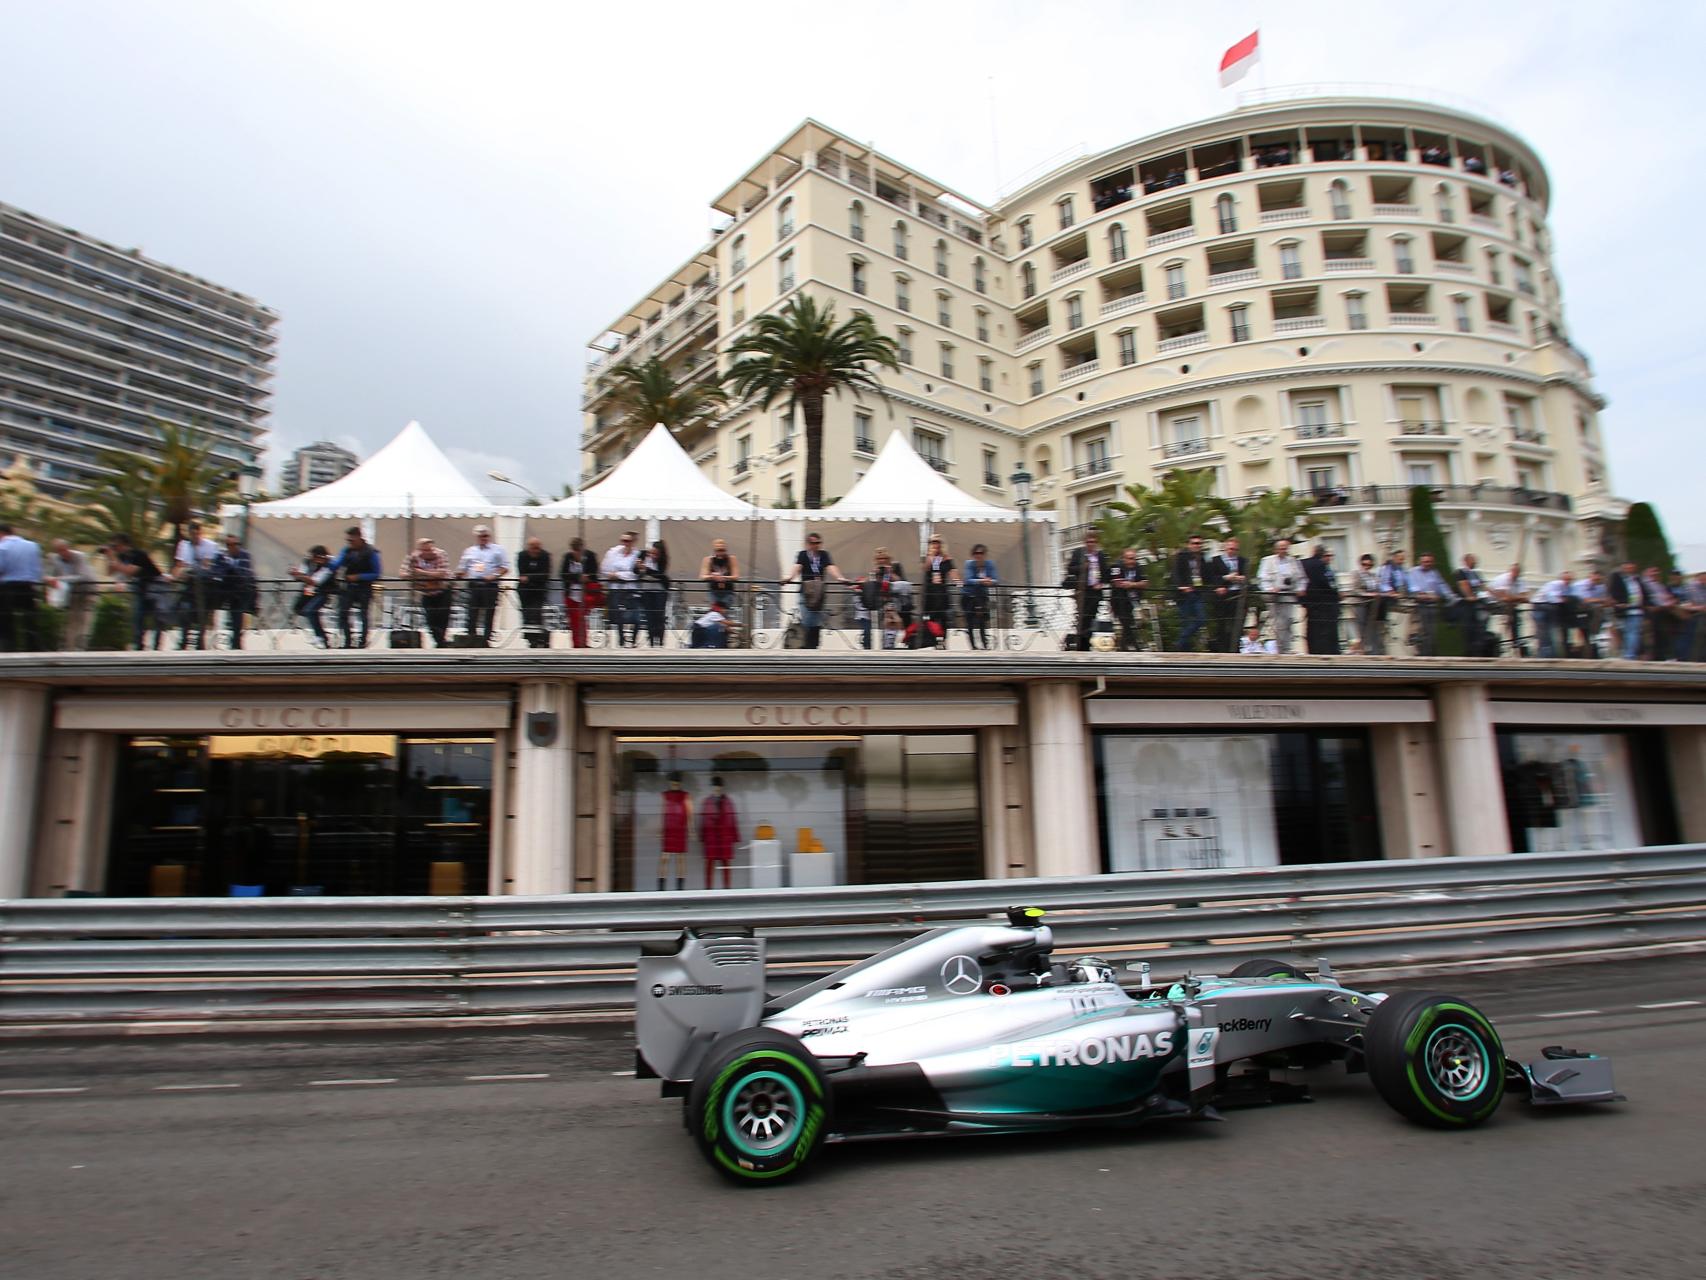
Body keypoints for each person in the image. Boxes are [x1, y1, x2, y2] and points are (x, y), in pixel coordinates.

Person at [781, 531, 846, 649]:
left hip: (819, 592)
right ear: (807, 544)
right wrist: (789, 577)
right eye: (812, 543)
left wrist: (839, 577)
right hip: (806, 591)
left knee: (816, 620)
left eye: (818, 543)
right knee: (807, 619)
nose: (815, 545)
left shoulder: (824, 554)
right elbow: (798, 567)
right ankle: (807, 645)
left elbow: (831, 567)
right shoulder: (802, 554)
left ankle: (813, 646)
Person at [105, 532, 163, 650]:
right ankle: (139, 646)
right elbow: (110, 572)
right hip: (140, 589)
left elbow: (130, 571)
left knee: (158, 618)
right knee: (138, 617)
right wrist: (110, 557)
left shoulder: (138, 555)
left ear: (123, 544)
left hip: (155, 588)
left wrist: (114, 558)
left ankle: (156, 646)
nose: (114, 548)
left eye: (115, 545)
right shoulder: (121, 557)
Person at [327, 526, 382, 648]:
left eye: (352, 540)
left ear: (359, 537)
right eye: (348, 540)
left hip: (364, 587)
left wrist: (359, 577)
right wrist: (328, 561)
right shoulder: (346, 550)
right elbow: (336, 565)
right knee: (343, 613)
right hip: (348, 587)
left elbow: (376, 573)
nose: (350, 543)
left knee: (363, 614)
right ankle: (347, 640)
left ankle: (363, 641)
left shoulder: (371, 552)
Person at [172, 519, 221, 650]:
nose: (195, 537)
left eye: (197, 533)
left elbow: (207, 565)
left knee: (203, 613)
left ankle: (201, 641)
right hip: (189, 585)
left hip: (204, 586)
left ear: (201, 533)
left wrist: (192, 568)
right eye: (192, 534)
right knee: (184, 610)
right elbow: (180, 566)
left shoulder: (210, 545)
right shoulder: (184, 545)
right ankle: (184, 639)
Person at [457, 524, 508, 647]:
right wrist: (460, 574)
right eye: (481, 536)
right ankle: (471, 637)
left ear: (489, 536)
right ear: (476, 537)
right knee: (472, 611)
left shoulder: (497, 549)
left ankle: (486, 638)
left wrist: (494, 575)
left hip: (489, 584)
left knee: (489, 612)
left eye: (485, 536)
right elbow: (463, 568)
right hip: (474, 583)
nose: (483, 538)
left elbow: (504, 567)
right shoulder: (470, 551)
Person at [1061, 530, 1110, 652]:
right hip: (1082, 591)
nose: (1090, 544)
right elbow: (1070, 569)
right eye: (1088, 542)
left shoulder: (1100, 555)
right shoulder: (1079, 553)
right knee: (1082, 618)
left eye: (1093, 542)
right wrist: (1083, 567)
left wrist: (1101, 583)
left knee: (1090, 618)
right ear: (1085, 542)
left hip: (1095, 591)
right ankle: (1081, 645)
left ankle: (1085, 644)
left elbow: (1106, 573)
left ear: (1096, 543)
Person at [0, 522, 43, 651]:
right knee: (30, 619)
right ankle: (33, 647)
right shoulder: (32, 546)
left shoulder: (2, 547)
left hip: (8, 587)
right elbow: (37, 569)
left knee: (6, 619)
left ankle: (8, 648)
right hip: (29, 587)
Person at [46, 539, 95, 651]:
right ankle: (69, 647)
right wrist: (49, 579)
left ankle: (80, 647)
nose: (63, 553)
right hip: (71, 594)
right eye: (59, 551)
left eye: (64, 550)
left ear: (68, 548)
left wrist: (59, 579)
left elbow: (83, 576)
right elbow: (48, 574)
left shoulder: (79, 557)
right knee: (71, 621)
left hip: (86, 591)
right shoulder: (54, 559)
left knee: (84, 621)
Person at [1257, 537, 1303, 654]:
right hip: (1275, 595)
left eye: (1285, 548)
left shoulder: (1293, 561)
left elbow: (1301, 578)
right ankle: (1280, 648)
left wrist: (1300, 589)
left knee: (1288, 620)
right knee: (1278, 623)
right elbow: (1262, 578)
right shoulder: (1267, 561)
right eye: (1281, 548)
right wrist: (1270, 589)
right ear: (1276, 549)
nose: (1283, 550)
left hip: (1288, 593)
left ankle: (1287, 647)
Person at [855, 549, 908, 651]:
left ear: (888, 559)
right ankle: (867, 643)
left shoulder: (895, 568)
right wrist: (874, 575)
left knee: (889, 615)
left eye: (884, 558)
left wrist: (889, 572)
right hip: (876, 602)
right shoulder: (874, 571)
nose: (881, 561)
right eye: (879, 559)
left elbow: (902, 583)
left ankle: (888, 645)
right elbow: (868, 584)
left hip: (891, 602)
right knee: (864, 611)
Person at [404, 537, 452, 647]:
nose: (427, 552)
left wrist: (421, 572)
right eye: (424, 550)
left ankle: (441, 642)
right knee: (430, 619)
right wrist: (418, 575)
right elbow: (403, 573)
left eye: (429, 549)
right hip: (426, 592)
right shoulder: (413, 557)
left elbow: (441, 573)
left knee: (443, 617)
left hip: (443, 591)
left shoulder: (440, 554)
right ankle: (440, 642)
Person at [288, 544, 337, 648]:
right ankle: (319, 631)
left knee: (310, 611)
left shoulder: (329, 565)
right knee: (298, 608)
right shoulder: (308, 560)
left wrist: (300, 575)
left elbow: (316, 581)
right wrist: (297, 574)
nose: (314, 560)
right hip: (308, 591)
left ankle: (320, 636)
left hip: (323, 592)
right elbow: (303, 573)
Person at [212, 533, 256, 650]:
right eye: (229, 545)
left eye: (235, 544)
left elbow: (245, 573)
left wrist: (229, 567)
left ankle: (236, 643)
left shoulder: (245, 555)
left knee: (237, 615)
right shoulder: (220, 556)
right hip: (225, 591)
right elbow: (216, 573)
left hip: (240, 591)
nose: (232, 547)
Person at [1207, 536, 1250, 653]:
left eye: (1235, 549)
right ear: (1225, 548)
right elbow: (1211, 578)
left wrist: (1242, 578)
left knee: (1237, 623)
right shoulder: (1216, 560)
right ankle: (1222, 648)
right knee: (1223, 623)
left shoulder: (1243, 561)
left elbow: (1249, 578)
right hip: (1223, 595)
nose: (1232, 551)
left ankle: (1235, 647)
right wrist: (1226, 578)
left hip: (1238, 594)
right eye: (1230, 549)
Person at [698, 775, 740, 891]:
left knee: (725, 863)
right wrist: (703, 836)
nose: (717, 788)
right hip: (711, 837)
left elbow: (733, 819)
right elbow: (703, 820)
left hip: (724, 836)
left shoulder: (728, 802)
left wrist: (734, 836)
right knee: (709, 863)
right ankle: (708, 889)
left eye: (719, 786)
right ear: (712, 787)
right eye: (715, 786)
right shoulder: (707, 802)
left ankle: (727, 888)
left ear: (722, 787)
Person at [1408, 552, 1453, 657]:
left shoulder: (1434, 572)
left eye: (1429, 562)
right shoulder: (1413, 572)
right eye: (1425, 561)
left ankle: (1430, 653)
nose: (1427, 564)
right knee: (1423, 630)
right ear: (1420, 561)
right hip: (1420, 604)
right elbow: (1413, 588)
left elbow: (1442, 586)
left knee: (1432, 631)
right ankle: (1423, 653)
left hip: (1433, 605)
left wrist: (1449, 596)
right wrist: (1426, 595)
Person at [601, 531, 642, 646]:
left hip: (631, 588)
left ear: (633, 541)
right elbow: (605, 570)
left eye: (628, 541)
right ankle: (621, 640)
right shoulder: (614, 552)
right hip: (616, 588)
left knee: (636, 616)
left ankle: (633, 640)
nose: (625, 543)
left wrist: (618, 575)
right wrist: (619, 575)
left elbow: (634, 574)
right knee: (618, 615)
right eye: (623, 540)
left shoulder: (637, 554)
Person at [1300, 544, 1341, 654]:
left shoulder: (1303, 563)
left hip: (1309, 602)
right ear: (1322, 555)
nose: (1329, 558)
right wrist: (1337, 594)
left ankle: (1312, 649)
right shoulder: (1321, 565)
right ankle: (1329, 650)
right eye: (1327, 555)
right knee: (1326, 629)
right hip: (1325, 602)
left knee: (1312, 628)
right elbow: (1327, 583)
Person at [560, 537, 599, 649]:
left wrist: (587, 578)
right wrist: (578, 578)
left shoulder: (590, 556)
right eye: (575, 551)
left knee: (581, 619)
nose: (577, 553)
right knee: (573, 620)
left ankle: (582, 642)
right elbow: (563, 574)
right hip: (571, 594)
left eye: (579, 550)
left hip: (585, 594)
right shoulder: (567, 557)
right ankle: (576, 643)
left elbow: (594, 574)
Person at [1172, 534, 1209, 652]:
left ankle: (1181, 641)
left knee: (1201, 619)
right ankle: (1184, 647)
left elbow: (1205, 574)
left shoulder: (1202, 557)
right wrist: (1181, 586)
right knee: (1185, 620)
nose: (1196, 546)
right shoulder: (1182, 556)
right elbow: (1176, 573)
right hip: (1184, 594)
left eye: (1199, 543)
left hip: (1197, 592)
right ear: (1189, 545)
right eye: (1194, 543)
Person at [919, 536, 957, 648]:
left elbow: (953, 573)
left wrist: (957, 580)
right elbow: (925, 569)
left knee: (943, 617)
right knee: (931, 618)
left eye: (937, 542)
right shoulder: (928, 557)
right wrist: (931, 557)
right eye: (933, 542)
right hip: (930, 592)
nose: (935, 545)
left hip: (942, 592)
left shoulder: (946, 559)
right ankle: (933, 641)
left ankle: (943, 641)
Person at [1530, 570, 1577, 659]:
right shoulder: (1556, 584)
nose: (1568, 581)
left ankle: (1554, 654)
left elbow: (1568, 598)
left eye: (1570, 580)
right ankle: (1545, 655)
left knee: (1552, 630)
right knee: (1544, 631)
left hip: (1552, 608)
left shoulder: (1569, 587)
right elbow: (1552, 598)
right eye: (1566, 579)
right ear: (1562, 578)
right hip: (1541, 606)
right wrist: (1563, 599)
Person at [1109, 548, 1148, 652]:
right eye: (1130, 559)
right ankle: (1136, 648)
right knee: (1127, 624)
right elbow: (1117, 583)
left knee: (1127, 625)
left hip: (1133, 600)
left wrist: (1132, 584)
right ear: (1124, 558)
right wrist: (1135, 584)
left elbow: (1145, 583)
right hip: (1119, 601)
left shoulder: (1138, 567)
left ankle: (1122, 648)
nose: (1132, 561)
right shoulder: (1116, 566)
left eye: (1134, 558)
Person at [960, 544, 998, 650]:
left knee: (982, 621)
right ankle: (973, 646)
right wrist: (983, 581)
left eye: (981, 553)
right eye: (976, 553)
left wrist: (989, 581)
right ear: (973, 555)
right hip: (968, 596)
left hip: (981, 596)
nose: (978, 555)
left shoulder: (990, 564)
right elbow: (968, 579)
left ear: (985, 554)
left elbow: (995, 580)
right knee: (970, 622)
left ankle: (985, 645)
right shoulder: (969, 564)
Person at [658, 773, 692, 892]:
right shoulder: (665, 795)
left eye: (676, 783)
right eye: (673, 783)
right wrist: (660, 829)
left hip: (680, 828)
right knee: (664, 857)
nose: (675, 785)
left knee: (680, 858)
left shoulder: (685, 796)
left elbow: (689, 814)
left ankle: (680, 887)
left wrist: (691, 829)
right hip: (669, 828)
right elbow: (662, 812)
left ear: (680, 783)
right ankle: (661, 887)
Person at [516, 536, 552, 647]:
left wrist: (530, 578)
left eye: (537, 548)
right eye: (533, 548)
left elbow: (545, 574)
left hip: (539, 590)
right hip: (525, 591)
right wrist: (531, 577)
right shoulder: (522, 555)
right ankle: (530, 639)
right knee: (526, 615)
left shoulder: (545, 556)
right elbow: (521, 572)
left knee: (536, 614)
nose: (535, 551)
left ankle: (539, 639)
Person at [1607, 561, 1646, 660]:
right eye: (1626, 567)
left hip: (1635, 609)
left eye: (1631, 567)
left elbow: (1641, 593)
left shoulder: (1636, 579)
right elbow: (1613, 592)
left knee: (1632, 632)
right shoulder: (1618, 578)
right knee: (1625, 632)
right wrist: (1618, 603)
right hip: (1623, 610)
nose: (1629, 569)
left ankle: (1630, 655)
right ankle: (1627, 654)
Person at [1490, 563, 1530, 657]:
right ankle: (1500, 644)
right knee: (1506, 622)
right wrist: (1517, 598)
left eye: (1517, 572)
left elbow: (1526, 598)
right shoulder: (1503, 579)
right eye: (1513, 571)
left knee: (1515, 622)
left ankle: (1515, 643)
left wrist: (1513, 598)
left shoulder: (1520, 581)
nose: (1515, 574)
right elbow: (1504, 598)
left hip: (1511, 607)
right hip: (1494, 604)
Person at [636, 540, 670, 647]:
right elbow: (635, 571)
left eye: (656, 554)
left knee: (659, 616)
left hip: (659, 590)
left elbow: (660, 574)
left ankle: (659, 641)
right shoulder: (642, 555)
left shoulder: (662, 560)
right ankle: (651, 641)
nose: (653, 556)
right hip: (646, 590)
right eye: (652, 553)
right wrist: (639, 567)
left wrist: (646, 569)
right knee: (649, 616)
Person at [1642, 566, 1680, 661]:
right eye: (1652, 572)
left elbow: (1666, 596)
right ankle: (1657, 656)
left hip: (1663, 610)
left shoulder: (1659, 585)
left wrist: (1671, 601)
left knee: (1663, 634)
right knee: (1656, 634)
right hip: (1653, 610)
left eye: (1657, 572)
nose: (1655, 574)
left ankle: (1663, 656)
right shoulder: (1645, 584)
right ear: (1646, 574)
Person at [1350, 554, 1384, 655]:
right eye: (1364, 564)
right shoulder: (1356, 574)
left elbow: (1378, 588)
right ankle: (1363, 649)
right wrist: (1368, 594)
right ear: (1361, 564)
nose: (1366, 567)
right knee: (1361, 627)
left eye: (1369, 565)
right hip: (1361, 604)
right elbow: (1355, 590)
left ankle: (1374, 649)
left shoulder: (1373, 576)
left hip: (1372, 605)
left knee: (1373, 627)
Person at [1571, 570, 1609, 659]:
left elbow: (1605, 601)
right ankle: (1580, 645)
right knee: (1583, 632)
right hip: (1577, 610)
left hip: (1591, 613)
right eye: (1594, 579)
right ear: (1590, 576)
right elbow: (1584, 600)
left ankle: (1593, 640)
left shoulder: (1600, 587)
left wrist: (1602, 602)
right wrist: (1601, 601)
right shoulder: (1580, 585)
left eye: (1598, 580)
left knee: (1588, 634)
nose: (1596, 582)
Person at [699, 539, 740, 611]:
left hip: (727, 591)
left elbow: (736, 577)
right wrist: (712, 576)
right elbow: (702, 576)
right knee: (715, 614)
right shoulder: (708, 559)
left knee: (724, 612)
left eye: (723, 550)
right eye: (718, 550)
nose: (721, 553)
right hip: (714, 591)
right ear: (714, 550)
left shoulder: (731, 559)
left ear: (726, 549)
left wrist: (723, 577)